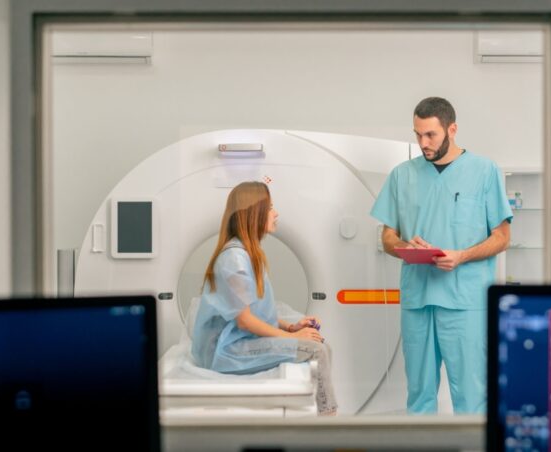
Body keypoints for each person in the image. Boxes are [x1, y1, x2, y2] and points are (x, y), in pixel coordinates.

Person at [370, 97, 513, 414]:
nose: (423, 143)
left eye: (430, 135)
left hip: (465, 300)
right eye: (418, 134)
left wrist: (462, 255)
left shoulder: (484, 171)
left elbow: (502, 237)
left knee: (472, 398)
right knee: (419, 397)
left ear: (452, 129)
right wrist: (405, 247)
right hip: (418, 299)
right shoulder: (402, 175)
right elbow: (387, 237)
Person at [191, 181, 338, 416]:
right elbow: (244, 321)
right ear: (254, 214)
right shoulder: (235, 259)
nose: (276, 213)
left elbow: (255, 311)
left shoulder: (248, 253)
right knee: (316, 350)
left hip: (237, 340)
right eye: (270, 208)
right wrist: (293, 337)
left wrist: (291, 327)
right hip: (225, 350)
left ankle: (324, 416)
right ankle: (329, 422)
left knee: (320, 344)